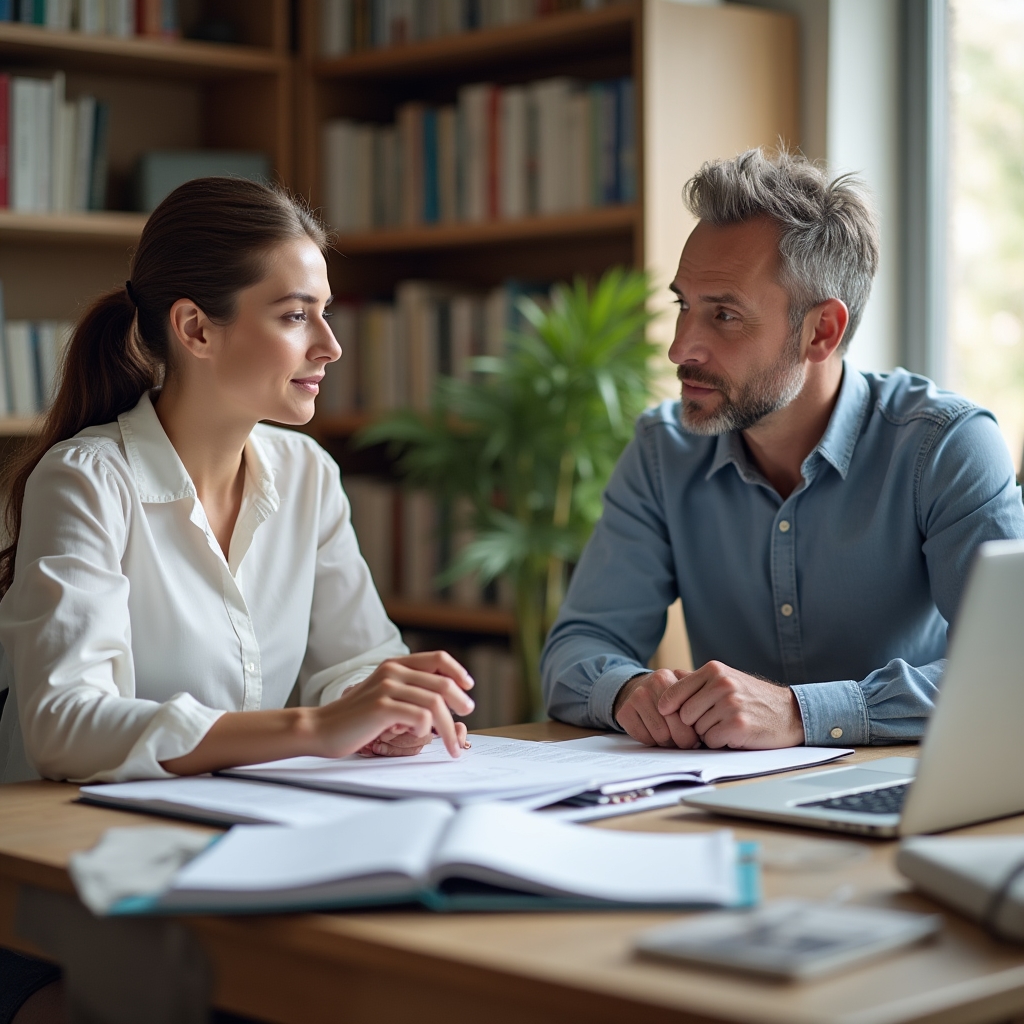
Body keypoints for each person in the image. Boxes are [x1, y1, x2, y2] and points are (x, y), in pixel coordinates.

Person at [0, 177, 478, 1023]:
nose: (330, 345)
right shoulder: (86, 482)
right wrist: (315, 728)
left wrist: (383, 707)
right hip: (61, 891)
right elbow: (64, 725)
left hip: (226, 852)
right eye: (296, 315)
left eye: (325, 313)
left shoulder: (308, 476)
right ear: (195, 329)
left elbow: (358, 661)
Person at [541, 148, 1024, 751]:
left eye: (724, 315)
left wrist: (802, 713)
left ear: (821, 331)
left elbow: (1012, 667)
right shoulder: (662, 450)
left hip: (903, 793)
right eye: (683, 306)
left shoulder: (944, 446)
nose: (679, 348)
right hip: (723, 804)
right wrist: (628, 691)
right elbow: (578, 646)